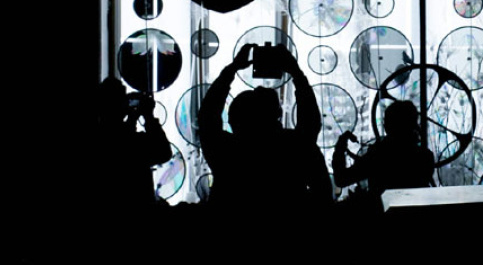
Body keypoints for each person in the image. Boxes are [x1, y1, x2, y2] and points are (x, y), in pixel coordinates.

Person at [198, 43, 333, 216]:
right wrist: (295, 72)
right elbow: (310, 122)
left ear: (234, 121)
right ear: (276, 113)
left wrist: (232, 68)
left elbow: (207, 117)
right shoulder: (293, 146)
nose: (259, 87)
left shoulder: (227, 150)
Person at [332, 100, 435, 201]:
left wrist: (339, 149)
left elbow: (342, 179)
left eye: (385, 121)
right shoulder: (425, 157)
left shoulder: (378, 155)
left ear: (388, 126)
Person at [96, 77, 173, 212]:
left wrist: (132, 119)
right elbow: (163, 152)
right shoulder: (130, 141)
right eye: (123, 98)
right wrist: (148, 116)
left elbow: (119, 139)